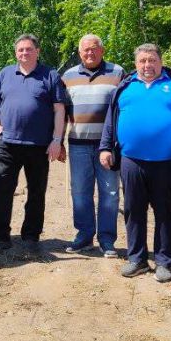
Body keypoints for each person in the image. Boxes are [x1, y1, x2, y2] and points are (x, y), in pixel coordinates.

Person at [99, 43, 171, 281]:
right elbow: (111, 120)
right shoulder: (125, 86)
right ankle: (138, 259)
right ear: (136, 63)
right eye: (142, 61)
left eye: (152, 60)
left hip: (166, 161)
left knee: (164, 212)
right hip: (131, 160)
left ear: (160, 61)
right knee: (133, 210)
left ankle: (164, 261)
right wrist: (105, 147)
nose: (147, 65)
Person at [0, 34, 65, 257]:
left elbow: (59, 110)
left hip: (39, 145)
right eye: (20, 50)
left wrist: (57, 140)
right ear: (15, 53)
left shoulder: (50, 75)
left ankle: (31, 237)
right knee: (2, 190)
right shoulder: (5, 73)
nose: (24, 53)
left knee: (36, 192)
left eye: (29, 49)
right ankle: (1, 237)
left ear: (37, 51)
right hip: (8, 144)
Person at [60, 34, 125, 256]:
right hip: (77, 144)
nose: (90, 53)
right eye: (85, 50)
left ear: (102, 50)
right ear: (79, 53)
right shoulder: (68, 76)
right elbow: (61, 112)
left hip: (106, 146)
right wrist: (57, 141)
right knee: (80, 191)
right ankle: (84, 235)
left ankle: (107, 240)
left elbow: (122, 109)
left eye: (94, 48)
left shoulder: (117, 73)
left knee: (110, 192)